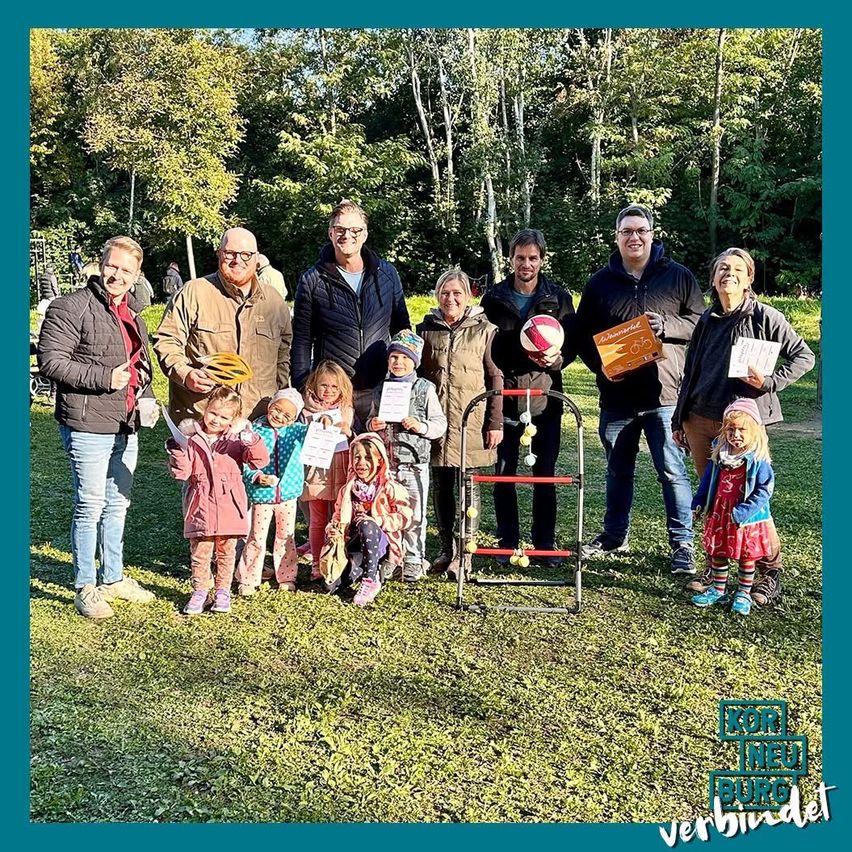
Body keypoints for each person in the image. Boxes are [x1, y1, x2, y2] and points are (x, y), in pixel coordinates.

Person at [672, 247, 814, 605]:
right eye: (722, 268)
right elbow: (690, 372)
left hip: (743, 426)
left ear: (749, 277)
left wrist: (768, 382)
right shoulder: (706, 319)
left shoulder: (766, 317)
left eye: (737, 269)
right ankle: (714, 567)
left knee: (754, 501)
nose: (728, 274)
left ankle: (768, 573)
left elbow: (804, 356)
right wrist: (679, 418)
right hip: (700, 420)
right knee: (715, 501)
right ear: (714, 278)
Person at [575, 204, 704, 574]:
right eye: (627, 231)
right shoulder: (599, 283)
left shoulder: (677, 276)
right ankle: (615, 536)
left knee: (672, 470)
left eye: (641, 230)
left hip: (664, 394)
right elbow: (583, 335)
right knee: (617, 470)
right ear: (616, 237)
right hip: (617, 396)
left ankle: (682, 544)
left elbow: (700, 323)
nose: (634, 237)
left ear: (652, 234)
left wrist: (667, 325)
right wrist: (600, 366)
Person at [37, 235, 158, 619]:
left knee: (118, 504)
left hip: (126, 422)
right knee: (90, 505)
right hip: (88, 421)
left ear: (137, 275)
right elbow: (51, 362)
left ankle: (114, 577)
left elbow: (140, 364)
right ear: (99, 264)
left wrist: (149, 395)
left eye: (126, 270)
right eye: (112, 266)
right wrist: (106, 377)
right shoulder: (70, 307)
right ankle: (85, 585)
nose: (117, 275)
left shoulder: (133, 312)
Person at [480, 228, 575, 567]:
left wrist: (557, 359)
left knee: (544, 474)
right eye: (520, 258)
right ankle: (507, 542)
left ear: (542, 260)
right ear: (511, 259)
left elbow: (572, 343)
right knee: (504, 474)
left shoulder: (558, 297)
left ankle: (544, 545)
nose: (526, 264)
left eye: (533, 258)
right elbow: (484, 347)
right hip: (505, 400)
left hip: (546, 401)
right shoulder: (493, 299)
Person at [153, 227, 293, 423]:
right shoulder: (195, 292)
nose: (238, 260)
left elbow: (283, 357)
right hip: (203, 420)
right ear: (219, 254)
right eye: (230, 253)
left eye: (246, 254)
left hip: (257, 421)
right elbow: (167, 340)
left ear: (257, 258)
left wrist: (281, 397)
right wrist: (186, 374)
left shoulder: (274, 302)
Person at [292, 199, 410, 429]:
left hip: (381, 388)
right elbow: (302, 340)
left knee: (377, 459)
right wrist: (303, 386)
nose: (348, 235)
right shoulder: (311, 280)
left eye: (355, 230)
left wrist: (406, 378)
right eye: (340, 229)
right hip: (333, 393)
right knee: (338, 462)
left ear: (364, 234)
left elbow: (402, 330)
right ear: (330, 233)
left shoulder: (387, 274)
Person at [417, 269, 504, 579]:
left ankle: (465, 555)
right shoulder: (425, 330)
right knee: (440, 485)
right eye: (444, 292)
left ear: (469, 296)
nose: (450, 298)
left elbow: (495, 377)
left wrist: (495, 422)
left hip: (473, 421)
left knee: (469, 487)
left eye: (457, 293)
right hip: (437, 421)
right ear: (437, 295)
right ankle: (445, 549)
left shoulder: (485, 330)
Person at [166, 386, 270, 615]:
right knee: (200, 551)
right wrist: (177, 450)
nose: (216, 420)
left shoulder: (236, 440)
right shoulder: (192, 438)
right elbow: (181, 473)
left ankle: (223, 591)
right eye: (213, 413)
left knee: (226, 551)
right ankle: (200, 591)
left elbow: (260, 461)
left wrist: (250, 439)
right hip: (200, 505)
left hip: (229, 505)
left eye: (224, 417)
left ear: (234, 419)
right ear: (205, 408)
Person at [367, 331, 447, 581]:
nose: (398, 363)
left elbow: (439, 424)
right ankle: (393, 556)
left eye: (404, 358)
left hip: (414, 463)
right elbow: (369, 419)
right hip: (387, 463)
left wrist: (420, 426)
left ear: (415, 361)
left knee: (414, 512)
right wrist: (373, 424)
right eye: (394, 357)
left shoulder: (425, 389)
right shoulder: (381, 389)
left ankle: (414, 557)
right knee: (388, 511)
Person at [690, 400, 777, 617]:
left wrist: (744, 511)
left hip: (746, 518)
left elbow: (764, 490)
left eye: (741, 430)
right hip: (720, 513)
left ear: (755, 431)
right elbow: (707, 483)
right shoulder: (719, 457)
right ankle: (719, 589)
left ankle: (743, 593)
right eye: (730, 429)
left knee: (746, 556)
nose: (735, 435)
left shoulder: (758, 461)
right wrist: (699, 503)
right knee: (718, 551)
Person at [235, 388, 309, 596]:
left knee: (286, 536)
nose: (280, 416)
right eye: (277, 409)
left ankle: (287, 576)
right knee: (256, 537)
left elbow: (314, 433)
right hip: (262, 495)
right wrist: (257, 477)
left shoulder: (297, 430)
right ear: (270, 406)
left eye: (288, 415)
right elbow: (246, 462)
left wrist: (325, 424)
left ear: (295, 418)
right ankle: (248, 578)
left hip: (288, 495)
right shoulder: (253, 432)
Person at [325, 432, 413, 606]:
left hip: (381, 543)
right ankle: (363, 570)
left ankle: (370, 579)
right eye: (357, 457)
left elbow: (406, 518)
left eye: (368, 458)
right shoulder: (347, 490)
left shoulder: (391, 488)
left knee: (367, 524)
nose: (361, 463)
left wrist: (378, 520)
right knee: (331, 586)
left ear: (380, 460)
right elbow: (337, 516)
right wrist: (333, 529)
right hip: (355, 544)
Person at [300, 361, 355, 581]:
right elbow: (300, 438)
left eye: (334, 387)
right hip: (316, 471)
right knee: (316, 520)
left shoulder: (346, 410)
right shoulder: (305, 411)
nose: (329, 391)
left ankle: (336, 559)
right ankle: (315, 562)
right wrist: (313, 427)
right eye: (324, 385)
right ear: (314, 385)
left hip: (340, 467)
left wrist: (346, 430)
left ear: (343, 389)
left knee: (339, 518)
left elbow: (352, 436)